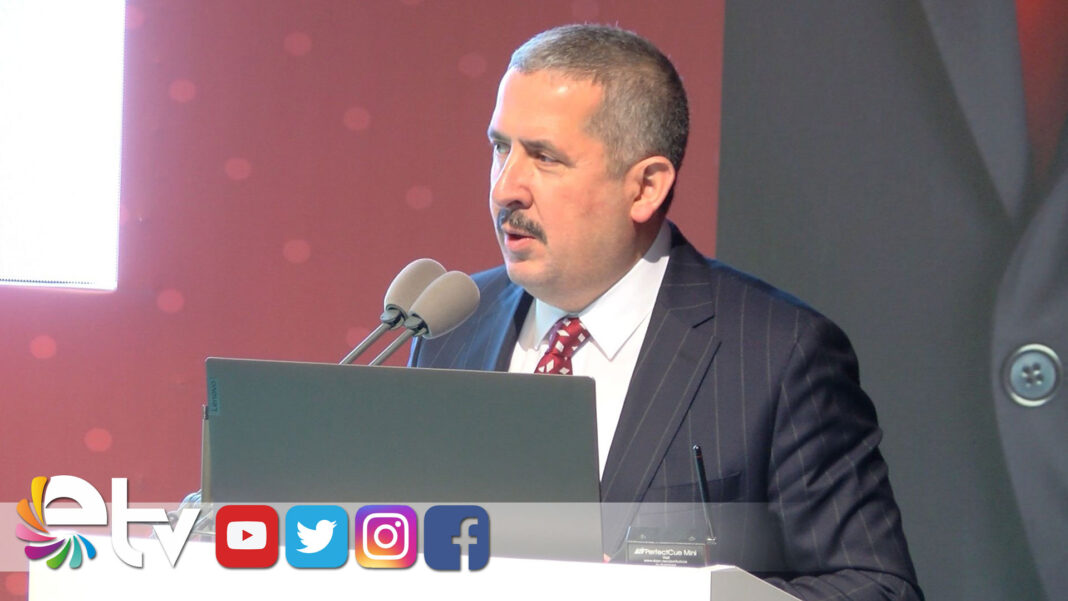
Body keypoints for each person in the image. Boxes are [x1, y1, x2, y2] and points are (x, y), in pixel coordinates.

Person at [409, 24, 921, 601]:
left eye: (545, 157)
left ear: (646, 187)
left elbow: (877, 588)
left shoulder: (777, 354)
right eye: (501, 148)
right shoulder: (451, 328)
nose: (506, 188)